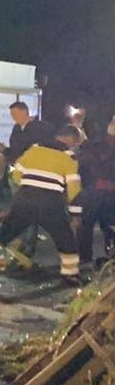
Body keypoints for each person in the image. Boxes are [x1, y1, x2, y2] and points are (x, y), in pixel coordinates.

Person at [0, 125, 87, 286]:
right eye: (76, 143)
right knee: (66, 240)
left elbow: (16, 175)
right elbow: (74, 191)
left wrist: (30, 185)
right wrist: (76, 215)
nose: (75, 146)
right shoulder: (69, 158)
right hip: (50, 203)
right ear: (71, 140)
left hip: (24, 200)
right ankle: (70, 275)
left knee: (6, 232)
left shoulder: (34, 149)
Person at [77, 113, 115, 269]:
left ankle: (87, 258)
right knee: (106, 226)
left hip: (95, 192)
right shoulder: (101, 144)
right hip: (105, 192)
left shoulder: (89, 146)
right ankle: (108, 257)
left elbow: (82, 166)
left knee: (89, 226)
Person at [0, 101, 55, 167]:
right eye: (12, 115)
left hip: (33, 165)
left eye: (15, 114)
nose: (13, 117)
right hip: (17, 166)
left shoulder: (42, 127)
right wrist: (5, 150)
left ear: (24, 112)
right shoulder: (16, 128)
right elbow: (15, 149)